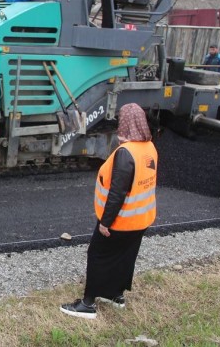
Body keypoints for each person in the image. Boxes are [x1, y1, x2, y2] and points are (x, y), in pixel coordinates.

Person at [60, 103, 157, 319]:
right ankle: (116, 295)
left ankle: (87, 304)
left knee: (98, 255)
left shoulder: (125, 153)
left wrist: (105, 222)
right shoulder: (149, 147)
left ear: (124, 123)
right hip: (142, 219)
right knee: (124, 256)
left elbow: (117, 193)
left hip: (121, 221)